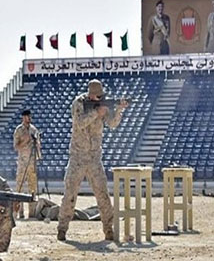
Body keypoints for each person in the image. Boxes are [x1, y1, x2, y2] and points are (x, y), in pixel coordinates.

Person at [57, 79, 128, 241]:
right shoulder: (79, 103)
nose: (99, 99)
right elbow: (79, 123)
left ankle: (108, 229)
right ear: (90, 95)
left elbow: (113, 124)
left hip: (94, 158)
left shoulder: (103, 104)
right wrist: (97, 113)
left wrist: (118, 110)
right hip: (77, 158)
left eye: (101, 96)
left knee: (102, 194)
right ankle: (62, 228)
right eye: (97, 97)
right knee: (70, 194)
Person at [14, 109, 42, 219]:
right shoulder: (19, 130)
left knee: (32, 187)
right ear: (23, 117)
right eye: (26, 116)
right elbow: (16, 146)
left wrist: (37, 145)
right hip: (22, 162)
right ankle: (20, 212)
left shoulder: (34, 130)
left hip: (32, 162)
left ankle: (32, 213)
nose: (28, 118)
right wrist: (25, 140)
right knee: (20, 187)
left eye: (29, 116)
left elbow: (38, 145)